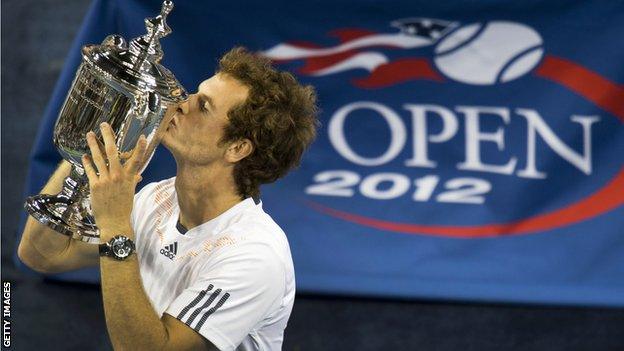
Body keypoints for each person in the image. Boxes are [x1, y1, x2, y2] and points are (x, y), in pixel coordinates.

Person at [18, 47, 319, 351]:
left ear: (237, 148)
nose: (179, 103)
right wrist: (88, 148)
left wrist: (116, 226)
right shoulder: (157, 199)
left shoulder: (256, 256)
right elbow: (42, 254)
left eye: (203, 106)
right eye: (194, 94)